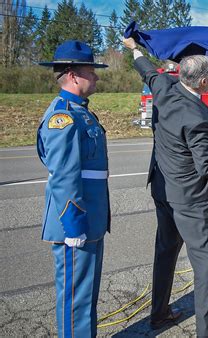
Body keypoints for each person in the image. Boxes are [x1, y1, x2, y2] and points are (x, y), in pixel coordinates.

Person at [123, 37, 208, 337]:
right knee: (207, 263)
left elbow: (147, 71)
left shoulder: (164, 89)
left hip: (163, 191)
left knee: (165, 253)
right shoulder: (197, 118)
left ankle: (160, 314)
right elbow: (206, 165)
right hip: (191, 201)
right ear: (204, 82)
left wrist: (134, 49)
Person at [37, 40, 110, 337]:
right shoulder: (63, 116)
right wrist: (73, 225)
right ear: (73, 74)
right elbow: (64, 175)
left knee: (86, 296)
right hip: (76, 224)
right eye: (90, 71)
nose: (95, 77)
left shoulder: (82, 112)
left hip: (90, 222)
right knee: (75, 300)